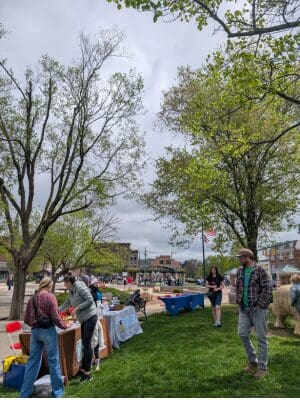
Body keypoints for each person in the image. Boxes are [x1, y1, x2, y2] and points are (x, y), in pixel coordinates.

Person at [20, 277, 71, 398]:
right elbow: (56, 316)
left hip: (35, 332)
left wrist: (34, 324)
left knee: (32, 362)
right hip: (48, 331)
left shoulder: (33, 298)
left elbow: (26, 318)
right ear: (49, 285)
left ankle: (25, 393)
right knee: (53, 361)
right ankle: (58, 393)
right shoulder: (50, 297)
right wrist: (65, 326)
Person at [235, 248, 272, 379]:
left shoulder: (261, 270)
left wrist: (259, 304)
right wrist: (239, 301)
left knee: (261, 337)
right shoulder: (240, 271)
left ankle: (262, 367)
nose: (240, 259)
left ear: (248, 257)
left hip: (258, 310)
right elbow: (238, 287)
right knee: (242, 334)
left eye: (241, 257)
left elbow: (268, 289)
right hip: (244, 309)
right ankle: (253, 361)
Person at [59, 275, 98, 382]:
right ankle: (84, 368)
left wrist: (77, 308)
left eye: (64, 282)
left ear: (69, 282)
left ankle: (88, 373)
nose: (64, 284)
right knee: (85, 344)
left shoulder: (80, 287)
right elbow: (67, 302)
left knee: (87, 343)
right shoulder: (72, 290)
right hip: (83, 319)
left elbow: (90, 300)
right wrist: (57, 311)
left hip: (90, 316)